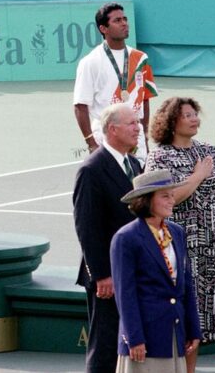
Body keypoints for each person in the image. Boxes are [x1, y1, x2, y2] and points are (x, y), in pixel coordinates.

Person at [144, 97, 215, 372]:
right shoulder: (160, 157)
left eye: (195, 114)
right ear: (172, 122)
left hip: (214, 249)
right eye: (187, 115)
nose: (194, 119)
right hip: (182, 249)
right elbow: (164, 199)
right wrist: (196, 177)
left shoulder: (209, 151)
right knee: (182, 319)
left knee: (203, 325)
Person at [73, 103, 142, 373]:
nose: (138, 128)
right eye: (131, 123)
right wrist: (102, 274)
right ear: (112, 130)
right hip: (108, 275)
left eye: (138, 123)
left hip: (133, 268)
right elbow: (87, 226)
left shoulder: (134, 164)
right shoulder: (91, 169)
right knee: (105, 342)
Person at [111, 169, 202, 373]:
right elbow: (125, 294)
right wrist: (134, 338)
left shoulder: (176, 233)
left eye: (171, 195)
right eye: (165, 196)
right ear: (146, 201)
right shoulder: (126, 238)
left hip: (173, 334)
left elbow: (186, 284)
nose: (171, 200)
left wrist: (193, 329)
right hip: (145, 339)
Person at [73, 2, 157, 165]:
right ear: (103, 29)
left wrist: (145, 136)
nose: (124, 23)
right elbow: (80, 106)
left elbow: (144, 100)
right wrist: (91, 144)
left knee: (140, 186)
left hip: (135, 135)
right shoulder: (90, 62)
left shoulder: (141, 59)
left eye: (125, 19)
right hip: (107, 136)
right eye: (117, 20)